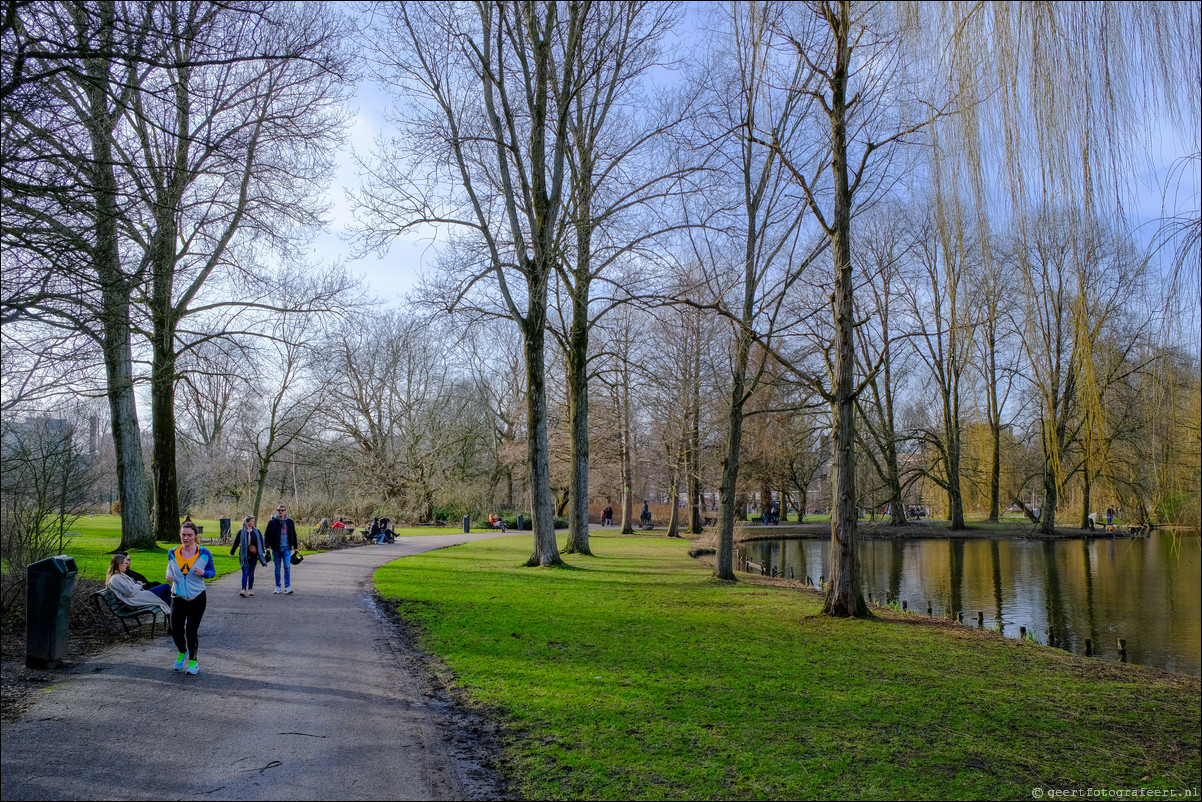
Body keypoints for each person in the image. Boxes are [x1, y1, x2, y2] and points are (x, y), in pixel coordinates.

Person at [167, 522, 215, 675]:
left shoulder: (204, 553)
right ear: (180, 535)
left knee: (191, 631)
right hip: (178, 597)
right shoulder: (172, 552)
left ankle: (193, 662)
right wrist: (168, 576)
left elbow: (212, 572)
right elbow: (170, 567)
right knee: (176, 630)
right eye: (183, 535)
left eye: (189, 535)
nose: (186, 538)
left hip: (197, 597)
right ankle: (183, 652)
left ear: (195, 536)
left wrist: (204, 573)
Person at [105, 553, 171, 615]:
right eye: (125, 563)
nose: (127, 564)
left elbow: (129, 588)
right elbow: (129, 592)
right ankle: (180, 600)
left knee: (167, 598)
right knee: (166, 586)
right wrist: (139, 585)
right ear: (120, 565)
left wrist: (137, 583)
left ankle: (174, 622)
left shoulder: (119, 575)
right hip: (135, 600)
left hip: (138, 597)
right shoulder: (116, 578)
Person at [230, 515, 268, 597]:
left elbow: (261, 543)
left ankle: (250, 589)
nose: (253, 523)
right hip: (244, 555)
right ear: (247, 522)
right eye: (252, 521)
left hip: (253, 555)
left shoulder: (257, 532)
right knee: (245, 572)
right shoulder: (241, 532)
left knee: (251, 572)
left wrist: (263, 552)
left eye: (254, 521)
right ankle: (243, 589)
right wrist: (232, 552)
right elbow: (236, 543)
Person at [264, 504, 298, 594]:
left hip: (287, 548)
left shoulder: (290, 522)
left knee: (287, 567)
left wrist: (296, 548)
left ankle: (287, 587)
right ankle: (278, 587)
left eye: (282, 510)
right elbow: (267, 535)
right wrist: (267, 547)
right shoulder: (272, 522)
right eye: (279, 510)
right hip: (276, 549)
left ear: (285, 511)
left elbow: (294, 535)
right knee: (277, 568)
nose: (280, 512)